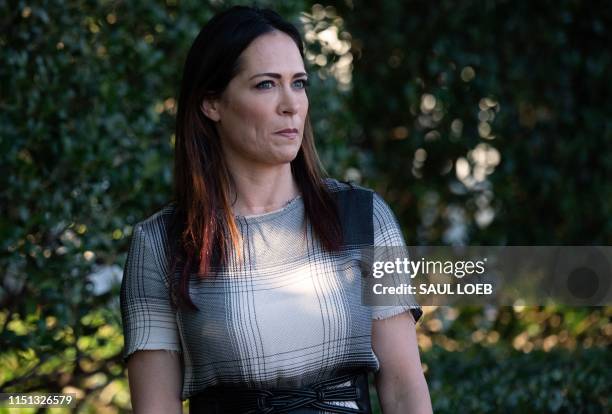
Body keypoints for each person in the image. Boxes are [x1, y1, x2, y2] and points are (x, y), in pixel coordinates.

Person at [120, 5, 433, 414]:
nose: (291, 105)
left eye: (298, 83)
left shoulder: (364, 217)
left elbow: (405, 387)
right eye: (266, 85)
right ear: (211, 103)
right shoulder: (161, 244)